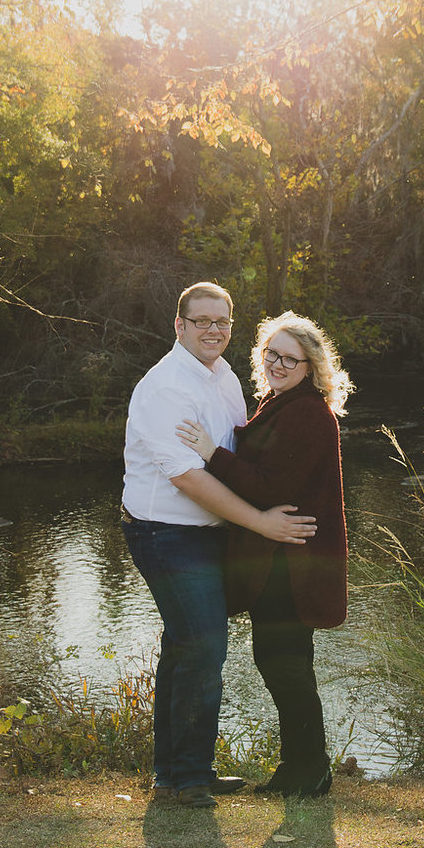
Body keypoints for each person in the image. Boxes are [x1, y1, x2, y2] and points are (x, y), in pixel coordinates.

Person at [122, 283, 316, 810]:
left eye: (222, 321)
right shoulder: (164, 388)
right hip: (167, 531)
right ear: (179, 326)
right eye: (202, 320)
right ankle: (186, 780)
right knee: (204, 645)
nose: (214, 330)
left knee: (186, 647)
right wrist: (260, 522)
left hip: (212, 533)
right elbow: (187, 477)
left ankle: (179, 773)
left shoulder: (224, 376)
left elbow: (239, 452)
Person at [176, 311, 351, 798]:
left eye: (288, 358)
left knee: (285, 665)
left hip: (291, 563)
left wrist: (213, 453)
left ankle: (309, 770)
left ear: (310, 366)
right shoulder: (280, 403)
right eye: (270, 354)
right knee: (283, 663)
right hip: (283, 558)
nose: (276, 363)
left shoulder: (307, 414)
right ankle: (302, 768)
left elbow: (269, 487)